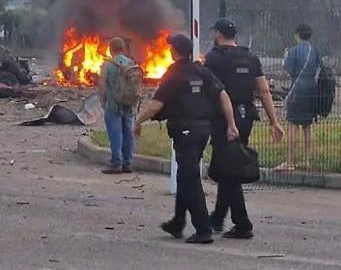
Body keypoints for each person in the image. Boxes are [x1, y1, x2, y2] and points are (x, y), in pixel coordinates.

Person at [134, 34, 238, 244]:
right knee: (184, 175)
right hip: (203, 131)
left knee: (189, 179)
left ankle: (203, 229)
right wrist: (231, 124)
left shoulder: (174, 75)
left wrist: (137, 121)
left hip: (185, 132)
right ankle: (178, 222)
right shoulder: (202, 71)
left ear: (174, 51)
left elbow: (156, 105)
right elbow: (223, 96)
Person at [203, 18, 284, 239]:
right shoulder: (250, 57)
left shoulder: (213, 59)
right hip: (246, 116)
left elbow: (208, 90)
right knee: (229, 164)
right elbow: (264, 91)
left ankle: (242, 223)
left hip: (223, 118)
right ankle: (218, 217)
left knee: (229, 170)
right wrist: (274, 121)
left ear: (218, 34)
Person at [278, 23, 320, 171]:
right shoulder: (314, 50)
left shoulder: (293, 51)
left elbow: (285, 71)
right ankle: (307, 160)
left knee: (293, 125)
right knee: (308, 126)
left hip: (297, 90)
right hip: (311, 90)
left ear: (297, 35)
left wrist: (285, 59)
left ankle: (290, 161)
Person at [97, 37, 138, 174]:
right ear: (123, 49)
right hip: (128, 104)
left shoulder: (108, 65)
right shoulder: (131, 63)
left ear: (110, 49)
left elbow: (102, 85)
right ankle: (128, 163)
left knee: (115, 134)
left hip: (113, 105)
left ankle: (116, 164)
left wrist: (103, 101)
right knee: (128, 133)